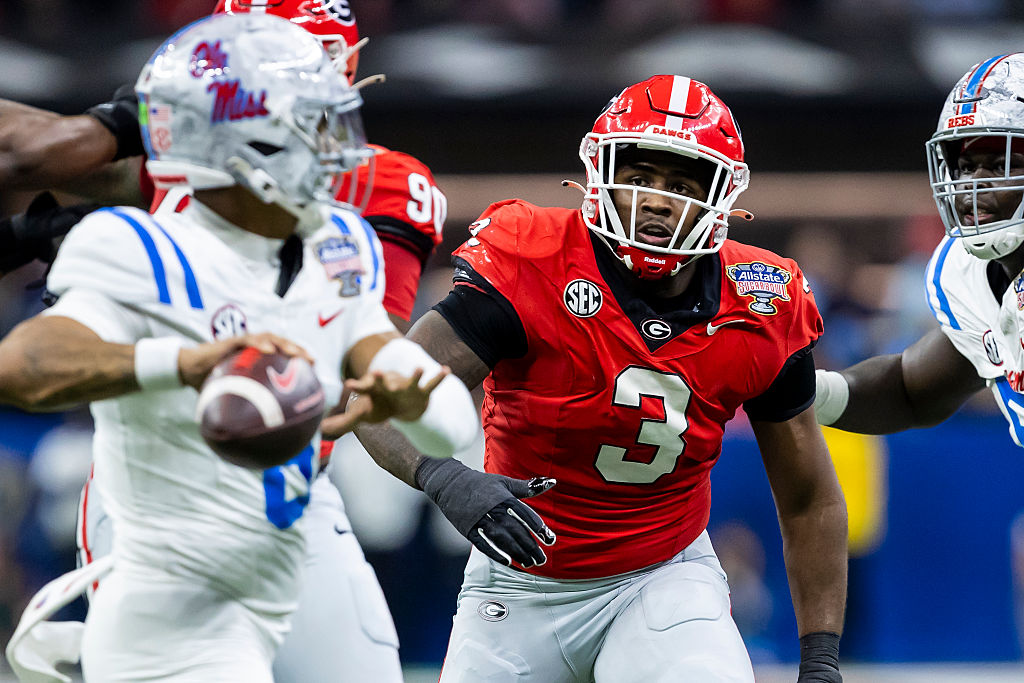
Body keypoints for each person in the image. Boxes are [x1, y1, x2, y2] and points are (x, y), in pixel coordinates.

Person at [0, 13, 477, 682]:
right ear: (246, 142)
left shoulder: (339, 239)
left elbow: (410, 385)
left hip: (296, 515)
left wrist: (415, 398)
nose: (336, 148)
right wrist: (186, 364)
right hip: (170, 558)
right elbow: (23, 366)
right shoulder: (137, 244)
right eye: (311, 124)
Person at [347, 74, 848, 682]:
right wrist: (443, 477)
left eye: (683, 184)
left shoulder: (763, 301)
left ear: (723, 197)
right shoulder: (532, 258)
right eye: (640, 177)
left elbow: (808, 494)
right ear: (600, 173)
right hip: (516, 583)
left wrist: (820, 658)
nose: (659, 200)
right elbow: (378, 392)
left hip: (662, 579)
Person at [813, 54, 1024, 445]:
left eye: (1000, 164)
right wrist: (802, 393)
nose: (972, 187)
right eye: (964, 166)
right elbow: (910, 391)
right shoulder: (967, 274)